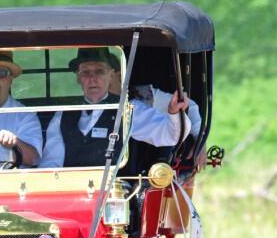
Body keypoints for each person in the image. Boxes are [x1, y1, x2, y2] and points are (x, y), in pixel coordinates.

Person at [39, 48, 191, 168]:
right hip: (74, 194)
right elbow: (51, 163)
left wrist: (174, 112)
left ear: (111, 76)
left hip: (117, 196)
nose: (93, 78)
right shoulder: (63, 115)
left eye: (99, 71)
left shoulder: (129, 110)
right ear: (78, 78)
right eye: (85, 72)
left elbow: (171, 135)